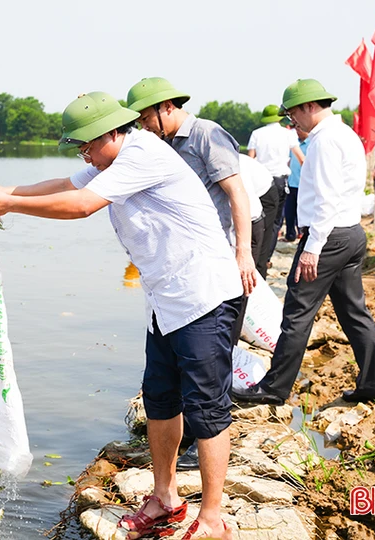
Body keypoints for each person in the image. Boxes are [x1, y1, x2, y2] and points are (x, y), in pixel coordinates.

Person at [0, 92, 239, 540]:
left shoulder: (142, 153)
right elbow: (66, 186)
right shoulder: (110, 162)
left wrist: (9, 206)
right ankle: (164, 498)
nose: (84, 155)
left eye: (86, 146)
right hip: (165, 300)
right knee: (160, 399)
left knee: (207, 409)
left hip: (203, 297)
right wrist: (4, 192)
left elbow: (81, 206)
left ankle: (213, 518)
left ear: (112, 132)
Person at [231, 79, 375, 407]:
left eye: (292, 115)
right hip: (349, 233)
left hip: (328, 238)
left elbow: (327, 199)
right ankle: (373, 384)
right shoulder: (342, 134)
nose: (292, 124)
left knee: (297, 313)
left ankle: (273, 389)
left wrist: (312, 248)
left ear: (308, 106)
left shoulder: (326, 141)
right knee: (353, 313)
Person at [126, 78, 255, 472]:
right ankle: (184, 440)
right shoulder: (158, 144)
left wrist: (243, 253)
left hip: (215, 262)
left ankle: (206, 441)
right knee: (179, 366)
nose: (143, 126)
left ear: (167, 107)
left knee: (207, 363)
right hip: (183, 264)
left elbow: (237, 194)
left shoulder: (205, 135)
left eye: (146, 117)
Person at [248, 105, 306, 264]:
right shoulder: (288, 134)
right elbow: (301, 159)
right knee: (275, 223)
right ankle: (265, 258)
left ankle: (254, 254)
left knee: (257, 219)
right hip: (280, 181)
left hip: (260, 182)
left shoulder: (257, 134)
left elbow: (250, 159)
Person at [238, 154, 275, 274]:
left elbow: (252, 212)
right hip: (251, 194)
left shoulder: (235, 168)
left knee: (260, 245)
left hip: (265, 192)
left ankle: (259, 275)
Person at [283, 125, 310, 242]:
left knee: (302, 211)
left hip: (304, 184)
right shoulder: (294, 144)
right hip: (292, 182)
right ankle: (290, 234)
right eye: (297, 129)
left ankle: (302, 233)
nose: (298, 131)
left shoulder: (311, 144)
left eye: (300, 128)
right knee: (289, 211)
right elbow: (289, 161)